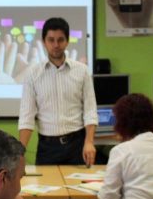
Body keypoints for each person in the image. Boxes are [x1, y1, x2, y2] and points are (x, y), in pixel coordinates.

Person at [18, 17, 98, 166]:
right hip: (47, 147)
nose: (56, 45)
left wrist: (89, 142)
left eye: (60, 40)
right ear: (44, 42)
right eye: (51, 40)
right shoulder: (32, 74)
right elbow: (26, 116)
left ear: (67, 41)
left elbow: (90, 110)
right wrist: (20, 152)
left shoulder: (82, 71)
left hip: (77, 145)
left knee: (78, 189)